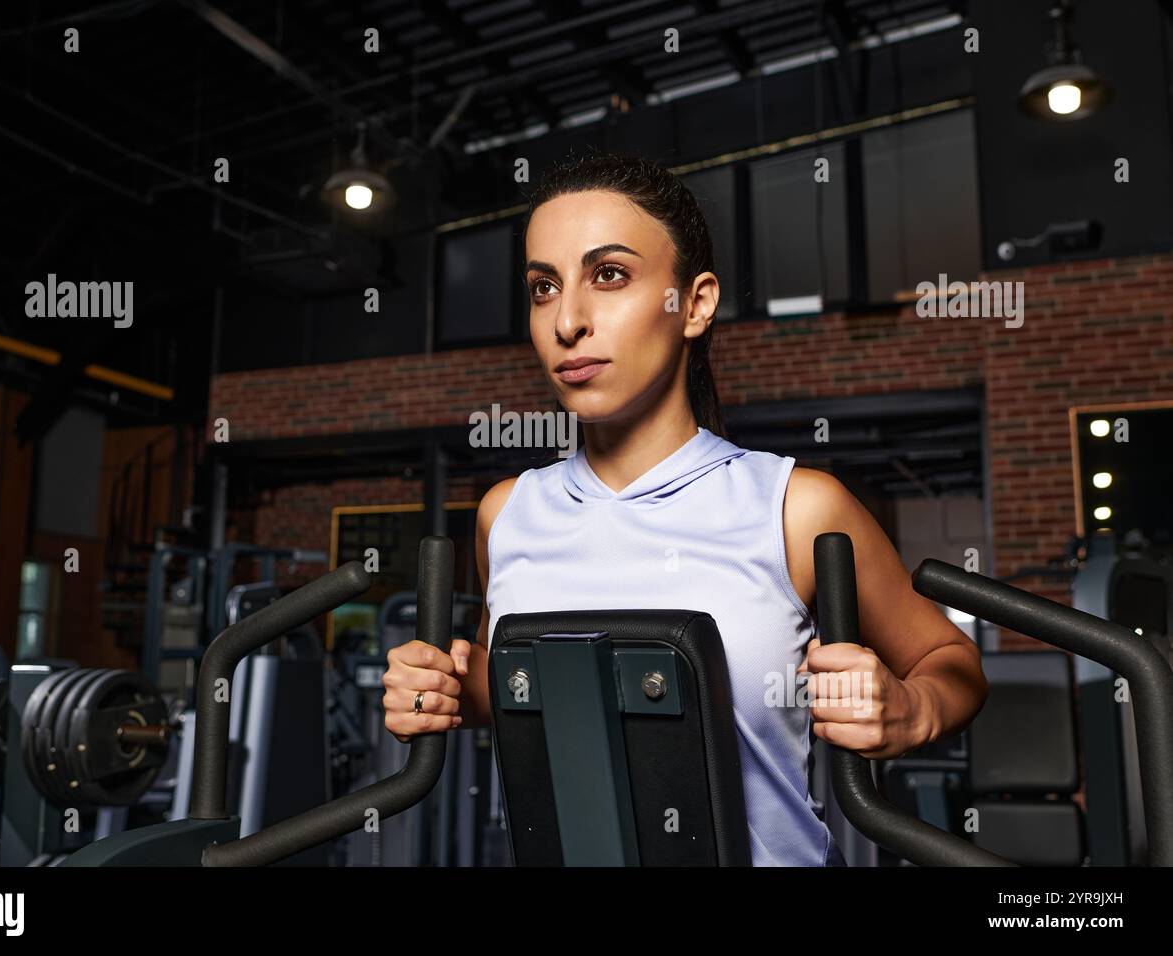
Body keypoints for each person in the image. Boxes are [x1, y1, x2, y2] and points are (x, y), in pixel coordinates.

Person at [382, 152, 987, 866]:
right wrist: (441, 686)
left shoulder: (795, 508)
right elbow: (509, 686)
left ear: (694, 304)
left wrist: (912, 711)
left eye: (609, 276)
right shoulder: (507, 514)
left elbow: (952, 662)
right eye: (544, 287)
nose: (567, 321)